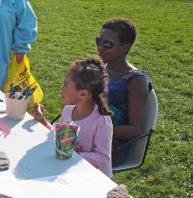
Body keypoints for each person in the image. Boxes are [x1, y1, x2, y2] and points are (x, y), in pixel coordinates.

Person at [32, 58, 113, 177]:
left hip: (94, 180)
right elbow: (61, 137)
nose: (61, 88)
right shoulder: (68, 110)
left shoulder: (101, 121)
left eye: (65, 84)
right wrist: (42, 121)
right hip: (71, 172)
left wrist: (71, 154)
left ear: (83, 94)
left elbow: (103, 157)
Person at [96, 18, 152, 166]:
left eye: (107, 44)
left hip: (114, 147)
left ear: (125, 47)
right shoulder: (101, 68)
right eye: (99, 41)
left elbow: (136, 130)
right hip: (90, 136)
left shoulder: (135, 81)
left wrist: (96, 129)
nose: (100, 47)